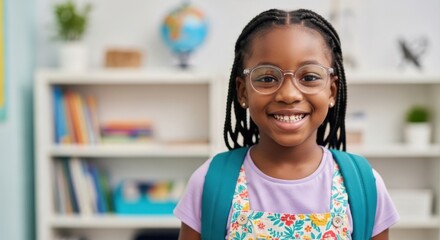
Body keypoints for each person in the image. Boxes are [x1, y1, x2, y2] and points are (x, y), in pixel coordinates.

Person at [174, 8, 399, 240]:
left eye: (309, 77)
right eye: (267, 78)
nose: (289, 94)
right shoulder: (209, 183)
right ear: (242, 92)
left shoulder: (364, 186)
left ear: (332, 91)